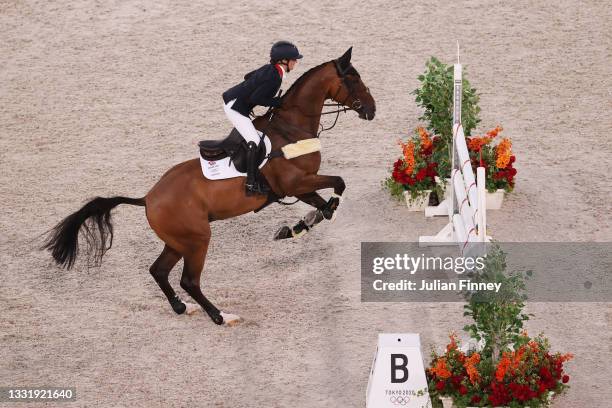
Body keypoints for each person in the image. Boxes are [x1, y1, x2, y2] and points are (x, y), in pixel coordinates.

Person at [222, 41, 302, 195]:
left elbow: (248, 76)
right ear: (284, 60)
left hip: (234, 98)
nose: (296, 62)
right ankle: (250, 184)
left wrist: (252, 86)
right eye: (294, 59)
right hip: (234, 107)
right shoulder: (274, 77)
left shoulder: (271, 69)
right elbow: (256, 98)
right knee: (254, 142)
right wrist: (278, 102)